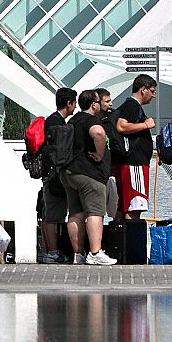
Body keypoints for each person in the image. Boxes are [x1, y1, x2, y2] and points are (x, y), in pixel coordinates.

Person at [60, 90, 116, 266]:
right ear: (94, 105)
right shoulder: (91, 120)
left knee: (75, 213)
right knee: (95, 212)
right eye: (99, 102)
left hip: (69, 172)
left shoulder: (73, 120)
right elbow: (98, 133)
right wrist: (100, 154)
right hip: (89, 173)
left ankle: (78, 253)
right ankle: (95, 252)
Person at [37, 87, 78, 263]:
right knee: (53, 214)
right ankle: (52, 251)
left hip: (49, 173)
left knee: (51, 213)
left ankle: (51, 251)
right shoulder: (57, 123)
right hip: (53, 175)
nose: (75, 107)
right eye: (74, 103)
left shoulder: (52, 120)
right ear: (69, 103)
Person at [112, 76, 157, 219]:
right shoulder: (132, 105)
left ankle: (118, 238)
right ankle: (131, 239)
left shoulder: (130, 105)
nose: (153, 95)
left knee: (124, 205)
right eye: (152, 91)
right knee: (135, 205)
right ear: (143, 90)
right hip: (134, 163)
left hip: (128, 163)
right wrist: (146, 125)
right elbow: (121, 125)